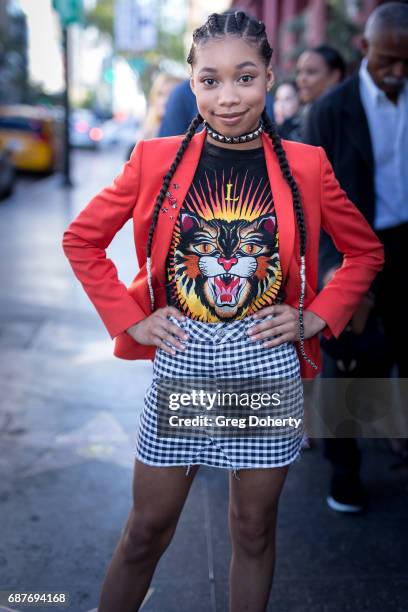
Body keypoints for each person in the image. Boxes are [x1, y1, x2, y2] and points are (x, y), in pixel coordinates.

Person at [62, 11, 384, 611]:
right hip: (185, 364)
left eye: (244, 77)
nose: (228, 96)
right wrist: (131, 319)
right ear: (192, 82)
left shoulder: (307, 165)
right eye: (210, 80)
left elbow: (365, 251)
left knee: (254, 529)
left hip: (266, 369)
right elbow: (81, 239)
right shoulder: (153, 160)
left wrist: (316, 315)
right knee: (146, 532)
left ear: (268, 76)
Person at [304, 1, 408, 513]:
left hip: (406, 242)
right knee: (346, 365)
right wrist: (337, 274)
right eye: (389, 59)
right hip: (351, 252)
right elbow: (313, 205)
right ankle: (343, 475)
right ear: (364, 48)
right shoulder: (329, 111)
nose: (398, 72)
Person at [296, 44, 346, 137]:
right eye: (299, 72)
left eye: (311, 72)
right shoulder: (291, 124)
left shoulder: (349, 121)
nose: (302, 79)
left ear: (334, 76)